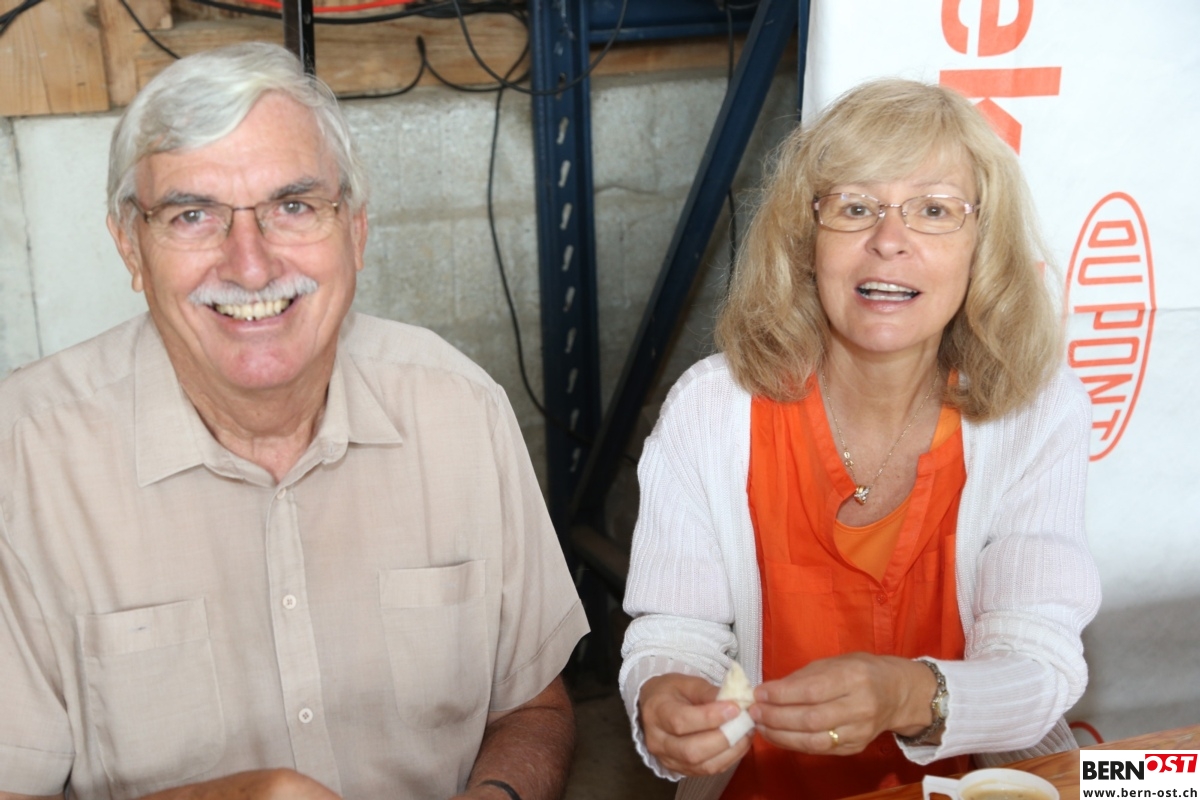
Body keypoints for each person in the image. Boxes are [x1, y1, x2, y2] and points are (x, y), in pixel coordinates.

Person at [0, 42, 588, 800]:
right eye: (192, 214)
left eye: (293, 206)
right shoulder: (24, 458)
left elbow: (532, 709)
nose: (250, 265)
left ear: (357, 231)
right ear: (130, 247)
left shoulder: (459, 408)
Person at [618, 78, 1102, 800]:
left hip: (987, 784)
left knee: (1169, 784)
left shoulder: (1038, 409)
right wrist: (664, 692)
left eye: (934, 210)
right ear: (805, 242)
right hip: (764, 787)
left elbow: (1040, 665)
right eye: (854, 208)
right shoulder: (711, 409)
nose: (888, 241)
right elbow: (673, 633)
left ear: (982, 246)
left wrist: (909, 694)